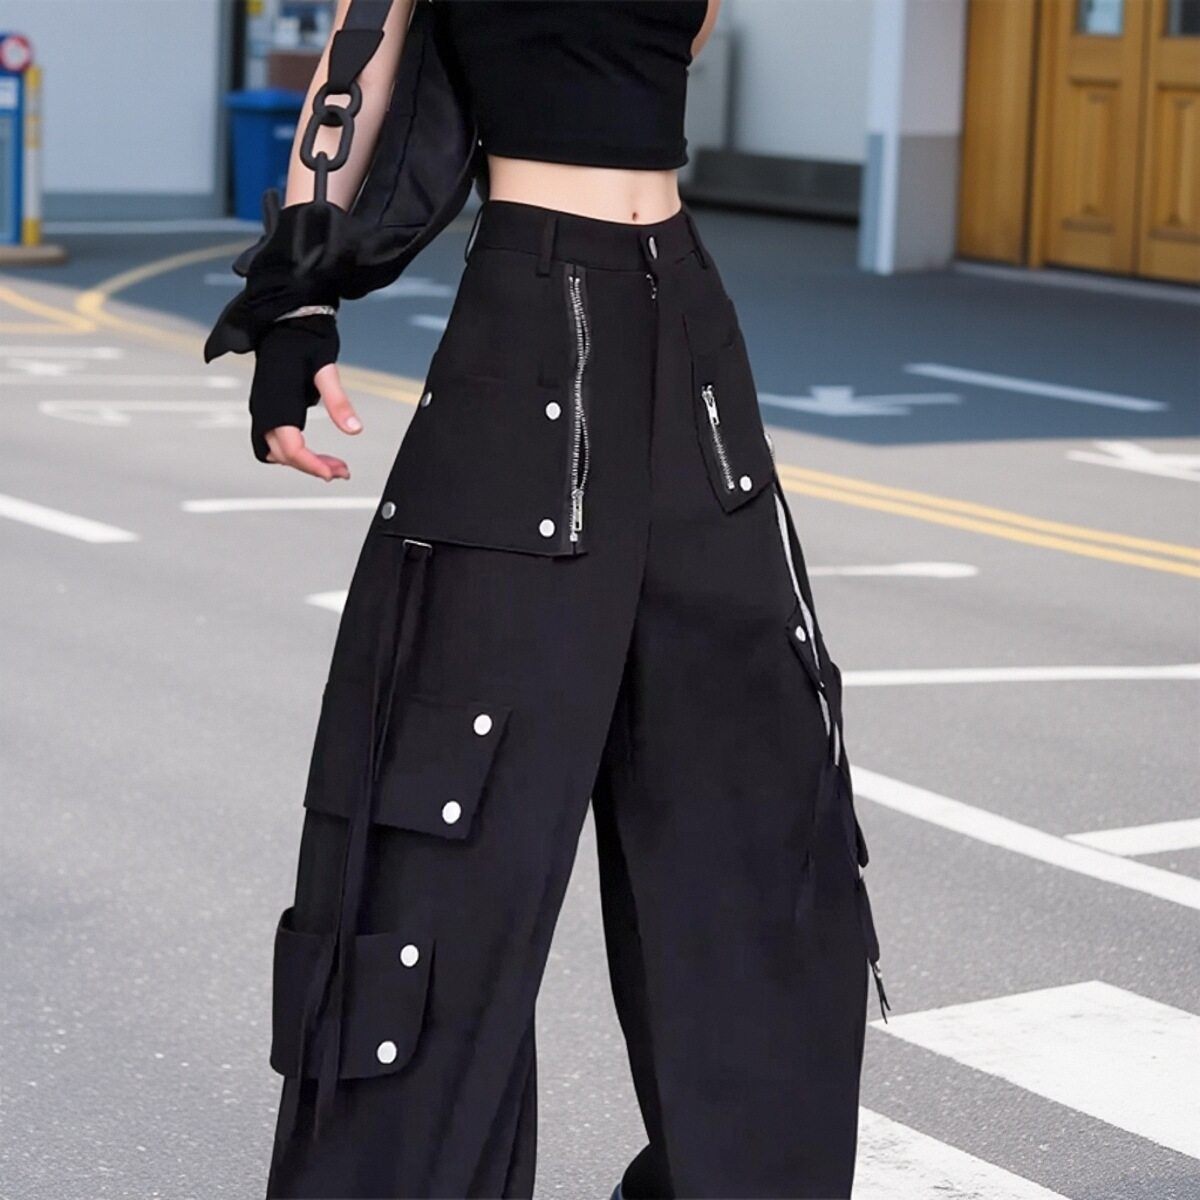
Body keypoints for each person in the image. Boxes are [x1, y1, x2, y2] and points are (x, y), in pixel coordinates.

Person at [233, 2, 885, 1196]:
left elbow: (678, 36)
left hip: (687, 332)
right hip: (526, 328)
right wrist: (298, 300)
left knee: (760, 814)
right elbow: (352, 69)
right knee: (440, 833)